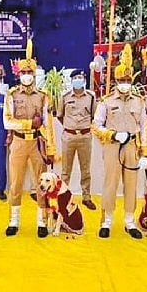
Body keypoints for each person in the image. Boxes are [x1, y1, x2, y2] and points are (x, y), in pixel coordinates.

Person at [92, 44, 147, 239]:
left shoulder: (139, 101)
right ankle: (106, 221)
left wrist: (145, 153)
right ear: (116, 81)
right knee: (111, 183)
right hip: (113, 146)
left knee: (131, 185)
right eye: (121, 80)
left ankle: (129, 222)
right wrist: (113, 135)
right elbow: (96, 126)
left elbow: (144, 127)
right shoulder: (106, 101)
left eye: (127, 80)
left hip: (132, 146)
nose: (125, 83)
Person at [3, 42, 55, 237]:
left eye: (29, 72)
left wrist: (50, 149)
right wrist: (28, 123)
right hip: (18, 142)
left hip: (36, 143)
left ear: (34, 74)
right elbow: (7, 121)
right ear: (19, 74)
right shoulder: (11, 94)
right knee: (15, 183)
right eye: (23, 72)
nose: (26, 75)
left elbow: (48, 124)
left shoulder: (43, 96)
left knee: (41, 183)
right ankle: (14, 220)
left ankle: (41, 221)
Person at [57, 69, 97, 211]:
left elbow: (94, 115)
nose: (78, 80)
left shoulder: (91, 97)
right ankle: (63, 196)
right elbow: (60, 115)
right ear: (72, 80)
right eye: (75, 78)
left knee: (85, 169)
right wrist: (70, 127)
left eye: (80, 77)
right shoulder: (65, 96)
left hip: (85, 136)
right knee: (65, 170)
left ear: (84, 80)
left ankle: (86, 197)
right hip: (69, 136)